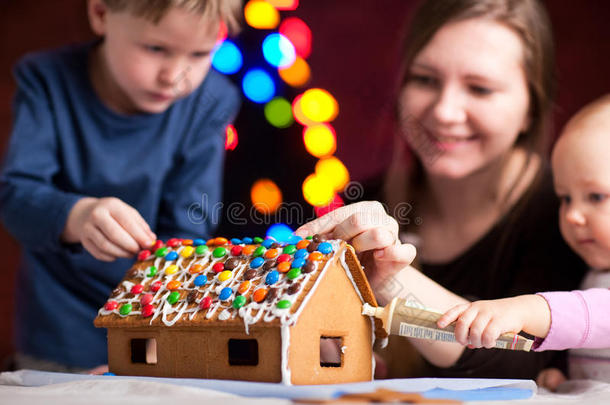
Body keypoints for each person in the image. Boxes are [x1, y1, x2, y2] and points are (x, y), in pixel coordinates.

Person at [296, 0, 587, 384]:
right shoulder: (365, 204)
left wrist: (388, 276)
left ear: (532, 108)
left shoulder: (569, 215)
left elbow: (524, 365)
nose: (445, 111)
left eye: (480, 89)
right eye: (425, 80)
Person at [0, 0, 241, 372]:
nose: (175, 75)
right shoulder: (47, 80)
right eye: (155, 48)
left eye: (199, 53)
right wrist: (78, 216)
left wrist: (152, 347)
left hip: (155, 324)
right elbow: (15, 198)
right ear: (100, 14)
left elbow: (188, 228)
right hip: (59, 333)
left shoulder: (209, 102)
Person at [438, 95, 610, 385]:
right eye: (565, 198)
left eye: (596, 196)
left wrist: (524, 310)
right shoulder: (592, 274)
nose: (572, 215)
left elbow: (593, 314)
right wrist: (563, 373)